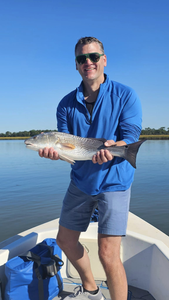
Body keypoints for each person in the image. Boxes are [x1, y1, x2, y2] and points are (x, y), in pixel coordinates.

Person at [39, 37, 142, 300]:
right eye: (81, 59)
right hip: (81, 180)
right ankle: (91, 288)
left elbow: (130, 134)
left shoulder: (126, 94)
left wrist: (117, 145)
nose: (88, 62)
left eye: (94, 57)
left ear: (104, 60)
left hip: (115, 179)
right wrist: (57, 155)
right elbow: (67, 144)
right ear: (76, 65)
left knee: (108, 253)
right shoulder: (65, 104)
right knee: (65, 241)